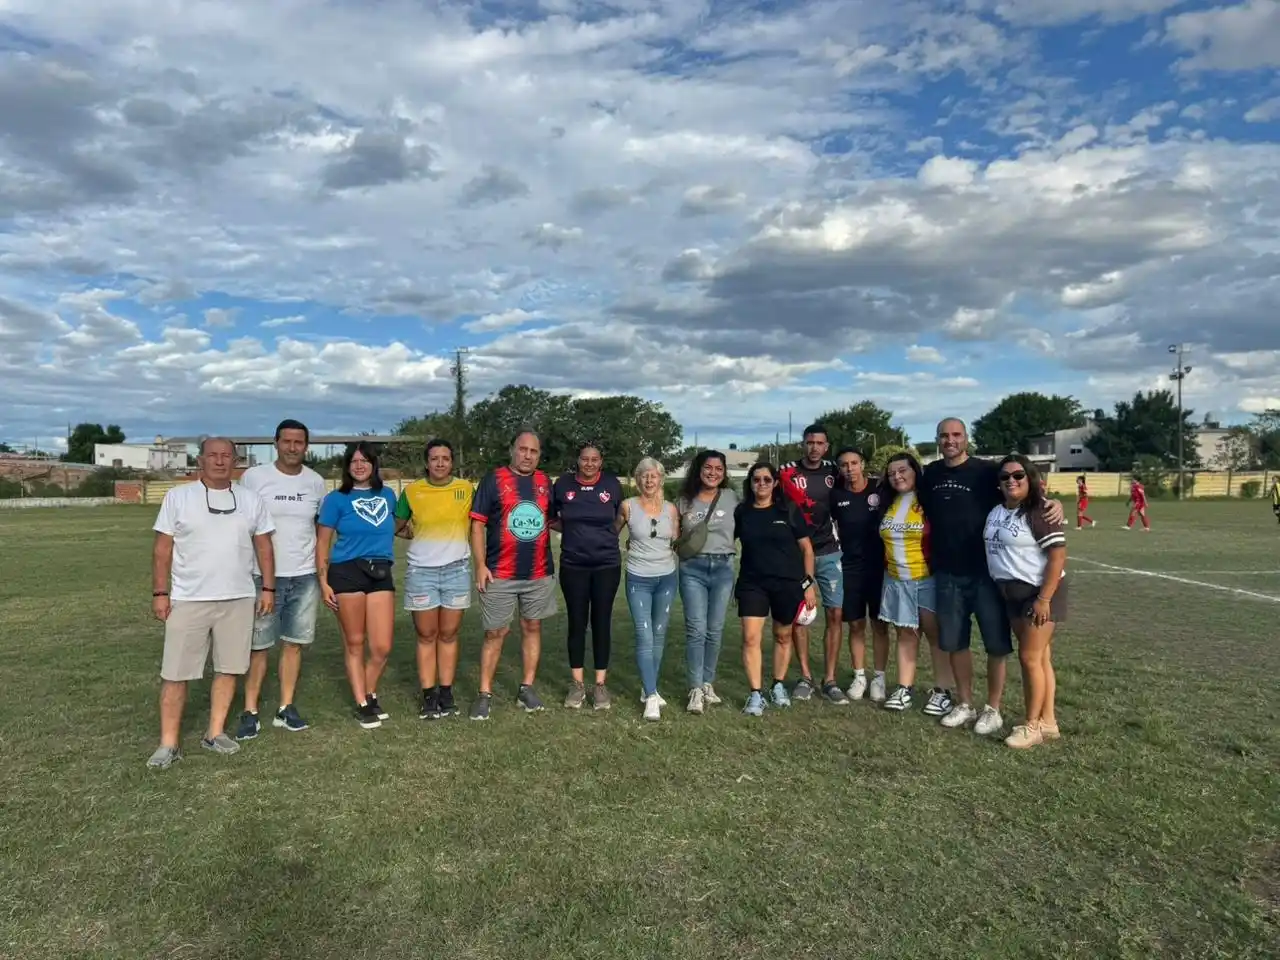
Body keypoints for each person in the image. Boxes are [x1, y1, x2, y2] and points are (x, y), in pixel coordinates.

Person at [147, 437, 276, 769]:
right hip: (188, 599)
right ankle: (168, 744)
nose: (220, 461)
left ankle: (214, 733)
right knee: (176, 673)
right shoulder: (178, 497)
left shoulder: (250, 500)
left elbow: (264, 547)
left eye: (226, 456)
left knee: (228, 668)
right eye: (213, 456)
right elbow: (163, 550)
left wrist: (269, 589)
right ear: (200, 460)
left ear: (236, 461)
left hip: (238, 598)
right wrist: (160, 593)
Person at [234, 419, 326, 741]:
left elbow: (319, 529)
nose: (292, 447)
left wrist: (321, 570)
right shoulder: (254, 477)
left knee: (294, 644)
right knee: (258, 647)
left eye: (298, 442)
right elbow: (241, 524)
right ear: (275, 443)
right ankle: (250, 711)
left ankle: (286, 707)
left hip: (304, 577)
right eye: (286, 441)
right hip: (262, 577)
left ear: (306, 446)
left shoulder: (315, 482)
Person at [468, 430, 557, 720]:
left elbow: (555, 521)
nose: (527, 455)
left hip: (539, 573)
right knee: (495, 632)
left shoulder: (545, 483)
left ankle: (526, 688)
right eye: (522, 449)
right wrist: (480, 565)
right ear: (512, 450)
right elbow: (478, 525)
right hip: (500, 573)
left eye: (533, 451)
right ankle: (484, 693)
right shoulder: (493, 480)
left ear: (539, 455)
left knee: (532, 627)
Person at [984, 456, 1067, 748]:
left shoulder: (1040, 511)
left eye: (1018, 475)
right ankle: (1049, 722)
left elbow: (1057, 557)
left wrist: (1044, 599)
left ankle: (1031, 725)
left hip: (1039, 593)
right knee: (1040, 658)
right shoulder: (996, 510)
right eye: (1005, 477)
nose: (1012, 481)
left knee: (1029, 659)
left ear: (1030, 478)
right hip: (1011, 593)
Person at [317, 442, 399, 729]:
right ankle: (363, 703)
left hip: (380, 570)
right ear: (347, 466)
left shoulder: (388, 495)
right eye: (354, 461)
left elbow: (400, 525)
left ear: (374, 464)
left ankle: (369, 689)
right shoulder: (336, 499)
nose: (360, 465)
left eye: (365, 460)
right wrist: (323, 581)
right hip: (347, 572)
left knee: (381, 646)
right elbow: (323, 542)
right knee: (354, 642)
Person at [394, 438, 473, 720]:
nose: (440, 463)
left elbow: (477, 525)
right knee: (427, 635)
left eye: (445, 458)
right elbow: (397, 525)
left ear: (452, 462)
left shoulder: (465, 490)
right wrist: (413, 535)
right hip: (421, 572)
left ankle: (446, 692)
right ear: (427, 462)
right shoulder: (413, 491)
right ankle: (429, 696)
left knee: (449, 634)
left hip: (457, 570)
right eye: (435, 458)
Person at [734, 462, 818, 717]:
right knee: (750, 638)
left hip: (787, 584)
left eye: (766, 480)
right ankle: (756, 694)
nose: (761, 484)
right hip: (752, 583)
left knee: (783, 636)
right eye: (756, 480)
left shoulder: (788, 509)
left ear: (775, 483)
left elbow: (807, 549)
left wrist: (808, 585)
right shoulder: (742, 512)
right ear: (750, 484)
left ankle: (778, 685)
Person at [551, 443, 624, 711]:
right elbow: (552, 518)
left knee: (602, 622)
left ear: (601, 461)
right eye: (585, 459)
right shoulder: (563, 484)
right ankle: (577, 684)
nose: (590, 464)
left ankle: (600, 685)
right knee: (577, 623)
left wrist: (603, 539)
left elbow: (619, 518)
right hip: (573, 564)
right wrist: (574, 532)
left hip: (607, 565)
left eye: (595, 459)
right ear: (578, 461)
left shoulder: (612, 484)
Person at [777, 423, 844, 703]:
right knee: (801, 615)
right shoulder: (787, 472)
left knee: (835, 614)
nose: (814, 447)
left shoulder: (835, 472)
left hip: (829, 551)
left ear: (826, 447)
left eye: (820, 443)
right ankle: (805, 676)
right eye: (809, 442)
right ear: (802, 444)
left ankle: (829, 679)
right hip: (797, 553)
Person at [876, 452, 945, 712]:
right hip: (895, 579)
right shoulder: (888, 502)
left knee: (934, 635)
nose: (897, 476)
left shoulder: (931, 501)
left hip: (927, 578)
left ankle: (942, 690)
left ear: (915, 471)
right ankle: (904, 688)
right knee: (905, 634)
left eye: (903, 470)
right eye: (892, 473)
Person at [616, 457, 680, 721]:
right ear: (637, 480)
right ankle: (652, 696)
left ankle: (648, 687)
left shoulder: (671, 510)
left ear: (661, 479)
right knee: (644, 636)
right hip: (638, 578)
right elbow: (610, 534)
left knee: (659, 634)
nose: (649, 480)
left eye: (653, 476)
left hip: (667, 578)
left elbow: (677, 542)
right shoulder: (628, 507)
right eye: (644, 476)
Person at [675, 450, 738, 714]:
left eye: (718, 469)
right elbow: (674, 536)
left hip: (723, 568)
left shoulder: (732, 498)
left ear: (724, 473)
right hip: (693, 569)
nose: (713, 473)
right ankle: (695, 689)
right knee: (696, 630)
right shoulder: (683, 502)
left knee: (715, 630)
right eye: (708, 468)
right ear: (698, 470)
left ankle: (708, 682)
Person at [830, 447, 889, 703]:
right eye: (844, 465)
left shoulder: (880, 489)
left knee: (879, 624)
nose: (850, 469)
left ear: (862, 464)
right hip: (851, 567)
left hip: (880, 566)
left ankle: (879, 677)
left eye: (854, 463)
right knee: (855, 624)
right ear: (839, 469)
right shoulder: (837, 495)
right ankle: (859, 676)